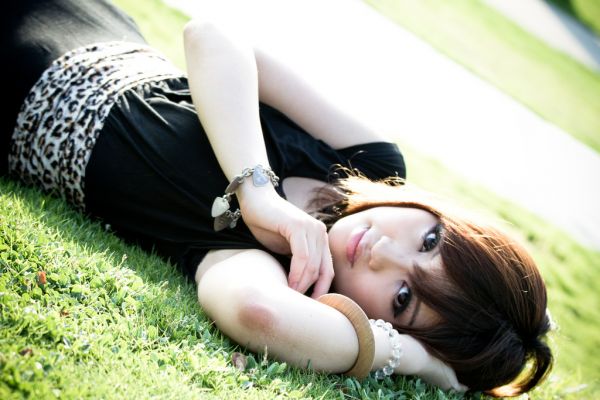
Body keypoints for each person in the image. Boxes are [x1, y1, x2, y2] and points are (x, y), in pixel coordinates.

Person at [3, 0, 553, 396]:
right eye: (429, 241)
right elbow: (213, 37)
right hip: (81, 19)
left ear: (386, 323)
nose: (382, 251)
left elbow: (258, 312)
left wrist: (412, 358)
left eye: (403, 296)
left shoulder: (276, 270)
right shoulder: (376, 166)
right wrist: (257, 192)